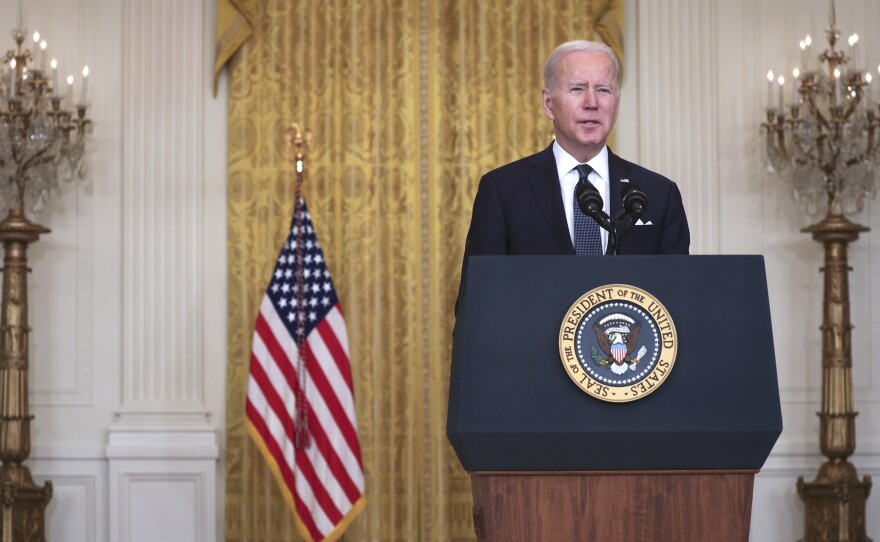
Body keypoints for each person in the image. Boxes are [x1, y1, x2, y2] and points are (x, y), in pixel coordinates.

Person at [457, 40, 689, 311]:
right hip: (529, 351)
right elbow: (477, 303)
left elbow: (679, 301)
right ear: (548, 103)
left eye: (603, 90)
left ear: (616, 103)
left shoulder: (658, 194)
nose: (592, 103)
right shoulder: (503, 191)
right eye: (577, 89)